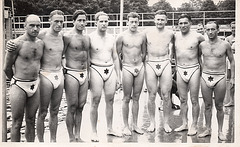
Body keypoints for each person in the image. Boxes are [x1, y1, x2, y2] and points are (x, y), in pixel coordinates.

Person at [3, 14, 44, 142]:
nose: (35, 29)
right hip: (19, 85)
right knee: (16, 122)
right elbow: (6, 68)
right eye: (32, 25)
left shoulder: (41, 43)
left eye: (38, 26)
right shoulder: (16, 44)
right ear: (25, 26)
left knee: (31, 120)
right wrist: (15, 81)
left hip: (34, 85)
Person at [198, 21, 235, 140]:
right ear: (205, 30)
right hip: (205, 76)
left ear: (218, 30)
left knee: (219, 106)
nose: (210, 32)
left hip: (219, 77)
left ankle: (220, 131)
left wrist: (232, 78)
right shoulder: (202, 45)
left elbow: (232, 61)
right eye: (208, 30)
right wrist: (201, 71)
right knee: (207, 106)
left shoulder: (225, 45)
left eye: (212, 29)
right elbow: (199, 57)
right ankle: (208, 129)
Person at [89, 11, 121, 142]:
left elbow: (115, 57)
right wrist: (88, 75)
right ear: (96, 22)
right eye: (101, 21)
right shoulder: (90, 37)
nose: (104, 24)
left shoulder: (111, 38)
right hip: (96, 68)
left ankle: (109, 128)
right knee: (95, 100)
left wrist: (119, 76)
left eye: (106, 21)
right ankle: (94, 131)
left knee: (110, 100)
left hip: (110, 69)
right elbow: (86, 58)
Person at [174, 14, 205, 136]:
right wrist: (176, 65)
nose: (183, 25)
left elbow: (207, 48)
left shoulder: (198, 36)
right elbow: (174, 53)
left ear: (190, 23)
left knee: (194, 99)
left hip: (194, 68)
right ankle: (184, 123)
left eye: (185, 23)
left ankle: (194, 125)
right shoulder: (175, 36)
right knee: (182, 99)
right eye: (180, 23)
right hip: (180, 69)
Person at [36, 10, 65, 142]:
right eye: (56, 21)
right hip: (45, 74)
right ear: (50, 21)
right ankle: (41, 142)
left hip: (58, 74)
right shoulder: (42, 35)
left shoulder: (62, 36)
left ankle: (53, 141)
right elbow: (26, 40)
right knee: (42, 112)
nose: (59, 24)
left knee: (55, 111)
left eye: (61, 21)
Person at [116, 12, 146, 136]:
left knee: (137, 97)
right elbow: (117, 56)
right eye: (131, 21)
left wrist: (139, 64)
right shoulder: (121, 37)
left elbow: (144, 53)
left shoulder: (142, 36)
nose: (133, 24)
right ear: (127, 22)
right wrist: (122, 70)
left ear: (138, 22)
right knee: (126, 98)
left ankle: (135, 124)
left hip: (139, 67)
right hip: (127, 67)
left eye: (136, 22)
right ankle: (125, 126)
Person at [144, 10, 174, 133]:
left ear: (166, 20)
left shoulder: (171, 33)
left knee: (166, 95)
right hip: (151, 62)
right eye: (158, 19)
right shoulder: (147, 33)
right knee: (151, 95)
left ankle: (166, 123)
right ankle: (152, 122)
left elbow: (176, 47)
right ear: (154, 20)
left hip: (164, 62)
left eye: (162, 19)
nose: (159, 22)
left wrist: (171, 59)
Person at [63, 10, 90, 142]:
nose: (82, 23)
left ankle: (78, 134)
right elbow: (60, 54)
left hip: (84, 73)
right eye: (79, 20)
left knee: (81, 105)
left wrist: (89, 75)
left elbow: (88, 58)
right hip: (72, 73)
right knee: (72, 106)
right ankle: (71, 137)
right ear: (73, 21)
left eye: (84, 20)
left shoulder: (87, 37)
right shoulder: (67, 37)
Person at [224, 21, 235, 107]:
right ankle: (231, 100)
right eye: (232, 27)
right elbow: (227, 50)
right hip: (231, 60)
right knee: (231, 80)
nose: (234, 29)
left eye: (235, 27)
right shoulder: (228, 38)